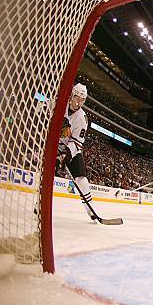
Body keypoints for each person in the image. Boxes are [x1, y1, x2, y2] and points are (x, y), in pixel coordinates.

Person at [56, 83, 96, 222]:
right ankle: (40, 203)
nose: (78, 103)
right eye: (77, 98)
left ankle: (90, 209)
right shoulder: (59, 103)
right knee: (46, 175)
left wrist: (67, 154)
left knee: (81, 178)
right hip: (53, 146)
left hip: (70, 148)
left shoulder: (82, 118)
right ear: (71, 96)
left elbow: (77, 141)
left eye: (82, 100)